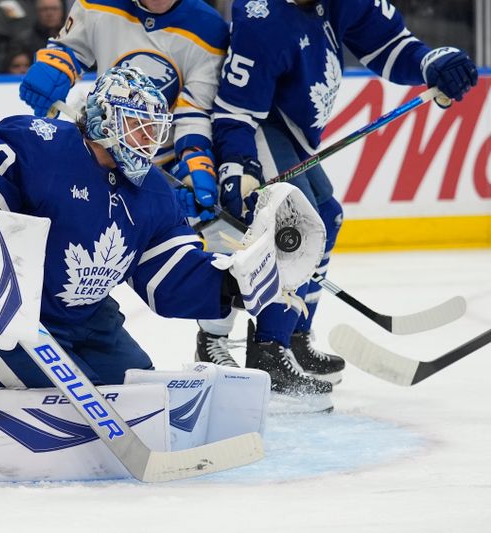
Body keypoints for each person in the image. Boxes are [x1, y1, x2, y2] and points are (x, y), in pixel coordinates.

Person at [0, 66, 284, 388]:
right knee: (83, 411)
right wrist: (5, 261)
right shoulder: (36, 142)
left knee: (144, 400)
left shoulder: (154, 190)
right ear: (105, 118)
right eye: (137, 125)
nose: (147, 139)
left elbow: (169, 275)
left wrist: (231, 282)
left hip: (88, 323)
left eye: (153, 129)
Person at [203, 0, 478, 395]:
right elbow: (235, 114)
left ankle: (294, 337)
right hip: (264, 125)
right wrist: (236, 168)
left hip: (295, 135)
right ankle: (268, 349)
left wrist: (431, 61)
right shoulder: (262, 18)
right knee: (295, 224)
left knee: (327, 217)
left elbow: (389, 46)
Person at [18, 0, 228, 192]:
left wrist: (193, 156)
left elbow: (195, 108)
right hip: (104, 149)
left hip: (165, 162)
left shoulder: (209, 28)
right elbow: (71, 47)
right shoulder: (97, 3)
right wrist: (56, 67)